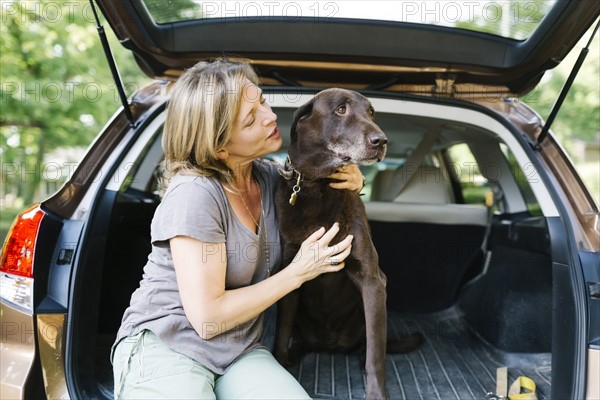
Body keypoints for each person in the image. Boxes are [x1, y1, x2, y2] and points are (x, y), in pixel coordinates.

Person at [111, 58, 364, 399]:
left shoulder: (271, 178)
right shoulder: (195, 195)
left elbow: (316, 174)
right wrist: (300, 271)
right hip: (168, 343)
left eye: (261, 100)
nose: (270, 116)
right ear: (220, 148)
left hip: (238, 350)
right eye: (250, 119)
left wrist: (353, 178)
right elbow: (207, 317)